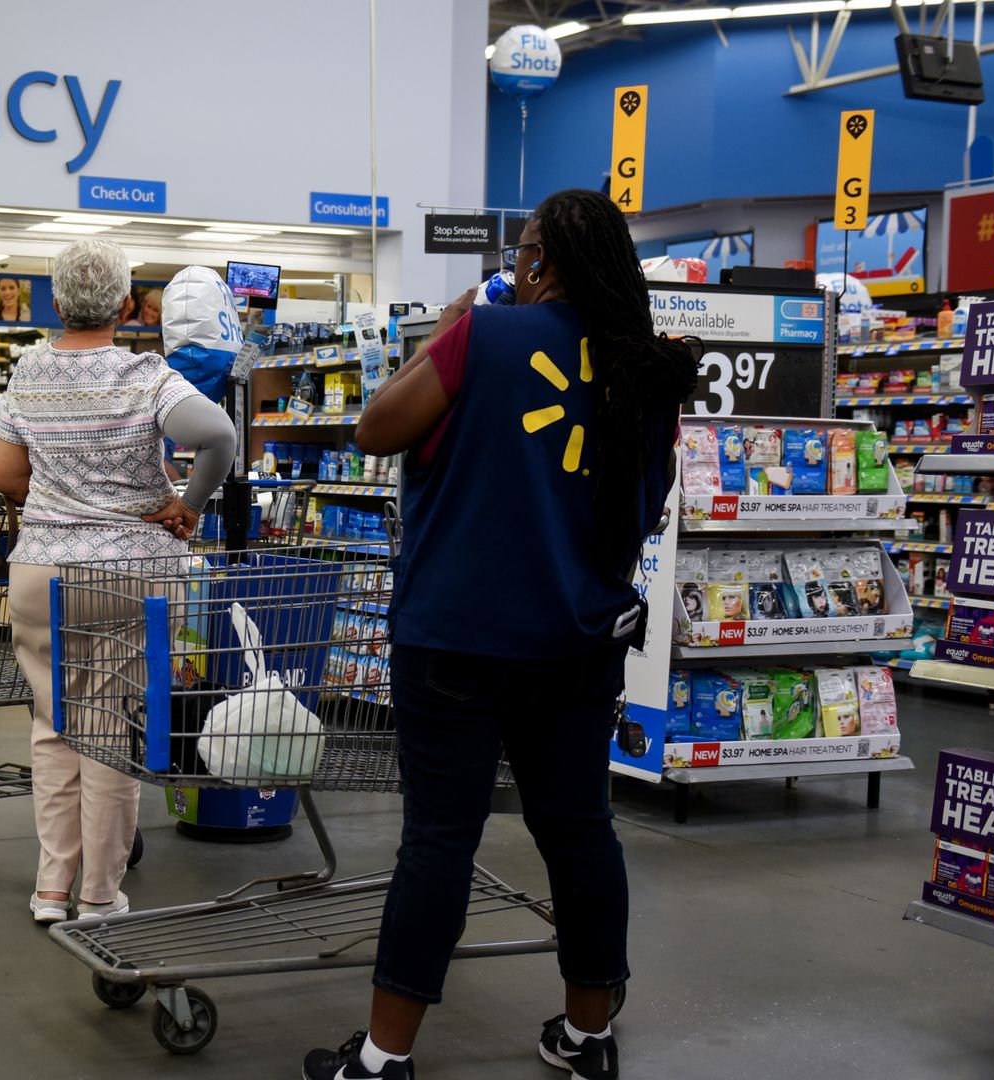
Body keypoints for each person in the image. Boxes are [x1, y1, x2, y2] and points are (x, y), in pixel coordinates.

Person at [298, 189, 695, 1080]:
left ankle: (382, 1058)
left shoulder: (485, 337)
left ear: (540, 262)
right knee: (580, 832)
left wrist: (454, 322)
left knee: (441, 840)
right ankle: (588, 1039)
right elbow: (645, 502)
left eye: (523, 252)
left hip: (458, 638)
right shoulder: (649, 370)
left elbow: (374, 428)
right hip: (579, 639)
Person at [0, 240, 238, 923]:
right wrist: (188, 503)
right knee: (109, 730)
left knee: (52, 727)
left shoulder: (28, 372)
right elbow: (218, 436)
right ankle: (100, 895)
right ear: (129, 306)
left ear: (55, 303)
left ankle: (49, 890)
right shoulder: (148, 376)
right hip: (132, 575)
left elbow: (8, 478)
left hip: (42, 573)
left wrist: (59, 494)